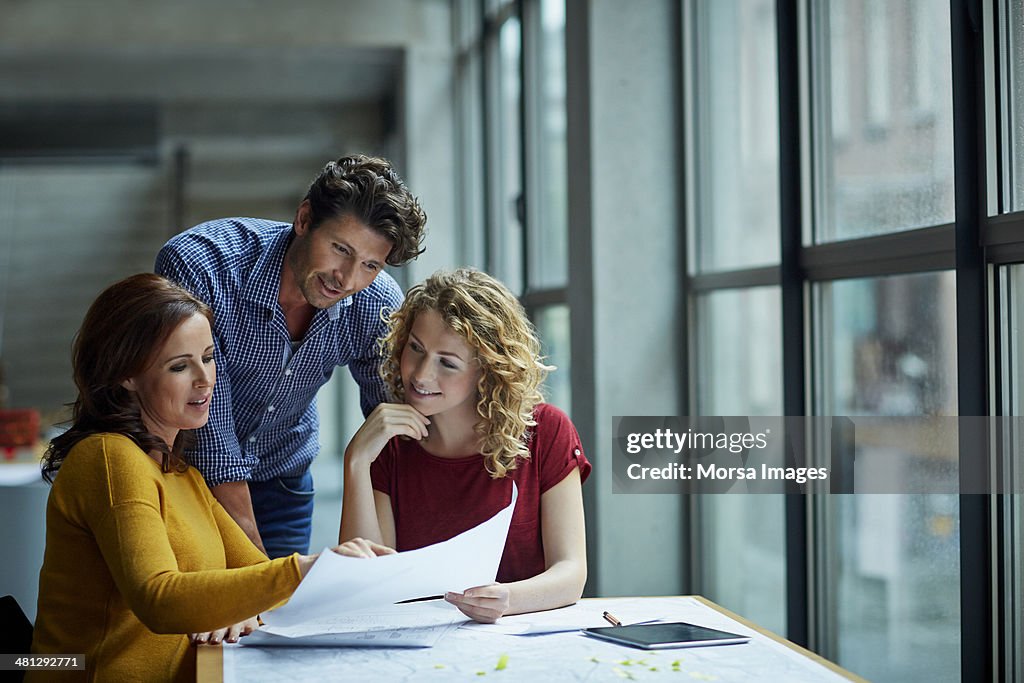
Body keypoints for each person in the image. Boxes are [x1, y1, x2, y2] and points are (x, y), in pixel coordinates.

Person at [29, 274, 392, 682]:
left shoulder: (183, 474)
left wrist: (245, 606)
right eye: (180, 366)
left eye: (208, 356)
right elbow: (159, 599)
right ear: (125, 375)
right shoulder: (110, 458)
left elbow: (255, 577)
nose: (205, 379)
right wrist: (306, 568)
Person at [155, 154, 427, 559]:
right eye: (340, 249)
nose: (348, 279)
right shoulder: (202, 266)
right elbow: (207, 425)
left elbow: (395, 421)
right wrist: (263, 570)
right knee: (205, 614)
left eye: (370, 265)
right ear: (304, 219)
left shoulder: (375, 301)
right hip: (185, 478)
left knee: (279, 620)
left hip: (283, 479)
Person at [339, 268, 590, 623]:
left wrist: (507, 598)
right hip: (417, 645)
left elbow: (570, 572)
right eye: (416, 348)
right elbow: (363, 587)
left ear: (486, 371)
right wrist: (357, 460)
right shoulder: (389, 446)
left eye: (447, 363)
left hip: (520, 639)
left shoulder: (546, 431)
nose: (421, 374)